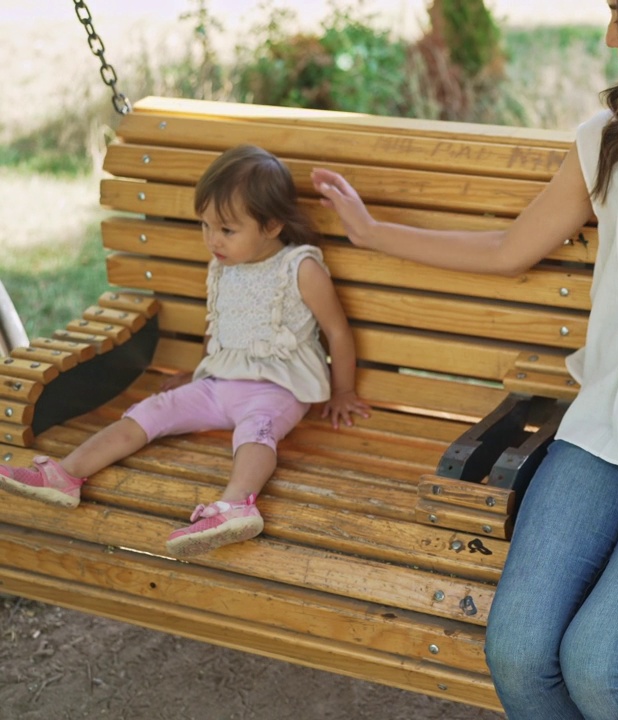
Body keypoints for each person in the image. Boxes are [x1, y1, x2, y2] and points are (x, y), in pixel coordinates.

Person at [308, 1, 618, 716]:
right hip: (599, 435)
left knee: (598, 662)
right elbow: (508, 248)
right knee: (517, 653)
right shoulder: (606, 143)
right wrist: (370, 233)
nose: (611, 35)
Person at [0, 144, 369, 557]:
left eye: (227, 230)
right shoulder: (222, 264)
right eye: (206, 226)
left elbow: (337, 332)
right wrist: (199, 372)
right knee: (151, 410)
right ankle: (66, 476)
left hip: (277, 388)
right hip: (216, 383)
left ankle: (235, 506)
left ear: (272, 224)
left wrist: (343, 392)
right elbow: (220, 328)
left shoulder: (300, 267)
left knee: (255, 432)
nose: (213, 239)